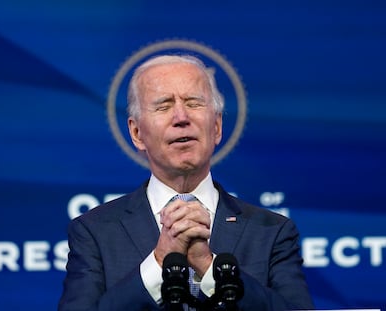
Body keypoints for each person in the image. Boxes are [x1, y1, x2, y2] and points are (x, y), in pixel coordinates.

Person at [58, 54, 315, 311]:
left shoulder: (272, 232)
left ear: (216, 127)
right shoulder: (95, 232)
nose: (181, 117)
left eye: (194, 103)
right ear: (136, 133)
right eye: (163, 105)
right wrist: (159, 262)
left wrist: (209, 267)